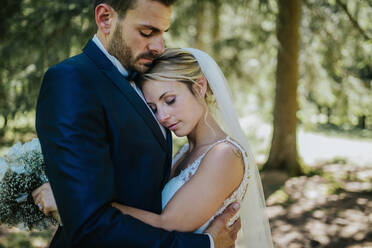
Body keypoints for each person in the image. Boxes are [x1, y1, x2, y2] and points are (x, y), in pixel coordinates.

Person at [35, 0, 240, 247]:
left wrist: (66, 199)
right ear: (105, 19)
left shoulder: (146, 77)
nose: (159, 46)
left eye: (163, 32)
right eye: (147, 32)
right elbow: (89, 222)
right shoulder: (72, 80)